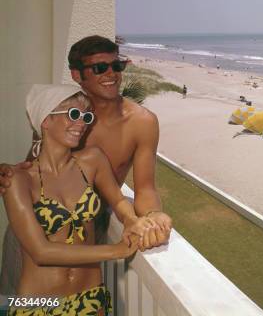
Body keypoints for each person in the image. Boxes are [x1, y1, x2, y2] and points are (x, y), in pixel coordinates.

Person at [0, 36, 171, 293]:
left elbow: (145, 188)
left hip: (90, 225)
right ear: (77, 75)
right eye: (100, 68)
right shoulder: (61, 114)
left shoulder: (142, 122)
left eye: (117, 66)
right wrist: (7, 172)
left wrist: (150, 218)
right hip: (34, 231)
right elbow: (33, 165)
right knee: (15, 300)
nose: (111, 74)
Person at [3, 85, 152, 315]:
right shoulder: (19, 179)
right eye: (73, 114)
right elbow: (41, 252)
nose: (82, 123)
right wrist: (116, 251)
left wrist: (131, 220)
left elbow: (119, 201)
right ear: (45, 120)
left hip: (90, 297)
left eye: (86, 116)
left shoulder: (92, 161)